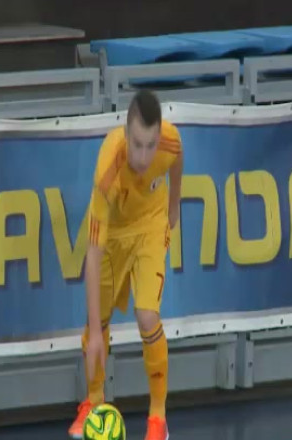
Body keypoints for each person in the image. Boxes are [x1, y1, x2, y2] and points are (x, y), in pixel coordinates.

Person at [69, 90, 182, 440]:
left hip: (150, 225)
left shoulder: (170, 141)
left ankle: (158, 419)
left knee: (147, 314)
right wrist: (94, 329)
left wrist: (174, 204)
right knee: (98, 326)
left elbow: (177, 162)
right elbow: (92, 251)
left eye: (150, 144)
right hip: (112, 236)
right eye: (137, 144)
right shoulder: (107, 168)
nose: (144, 155)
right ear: (126, 131)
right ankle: (93, 404)